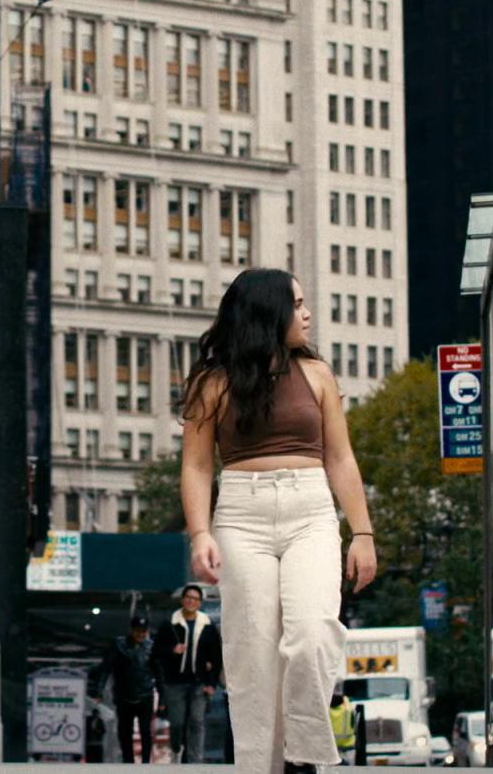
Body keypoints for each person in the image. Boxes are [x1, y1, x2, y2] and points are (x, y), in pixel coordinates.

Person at [177, 268, 378, 774]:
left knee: (312, 632)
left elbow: (341, 458)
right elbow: (198, 466)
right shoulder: (213, 383)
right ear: (269, 313)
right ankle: (260, 765)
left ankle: (302, 756)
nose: (308, 314)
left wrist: (363, 533)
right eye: (298, 304)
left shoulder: (317, 375)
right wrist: (200, 533)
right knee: (253, 653)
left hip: (310, 510)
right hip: (241, 516)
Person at [152, 583, 223, 762]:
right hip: (175, 682)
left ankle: (195, 760)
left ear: (200, 603)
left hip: (199, 682)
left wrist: (212, 684)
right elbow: (155, 653)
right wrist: (172, 650)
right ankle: (177, 748)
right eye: (189, 598)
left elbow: (216, 657)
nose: (192, 601)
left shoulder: (207, 625)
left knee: (197, 721)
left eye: (196, 599)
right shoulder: (170, 624)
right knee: (177, 723)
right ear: (183, 600)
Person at [91, 613, 159, 764]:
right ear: (132, 630)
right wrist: (99, 690)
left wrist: (163, 697)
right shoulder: (119, 645)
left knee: (145, 731)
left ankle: (146, 762)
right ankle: (128, 762)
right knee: (124, 732)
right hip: (124, 695)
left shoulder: (151, 647)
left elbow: (159, 672)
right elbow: (105, 668)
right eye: (137, 631)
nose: (140, 634)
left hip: (145, 695)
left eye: (143, 631)